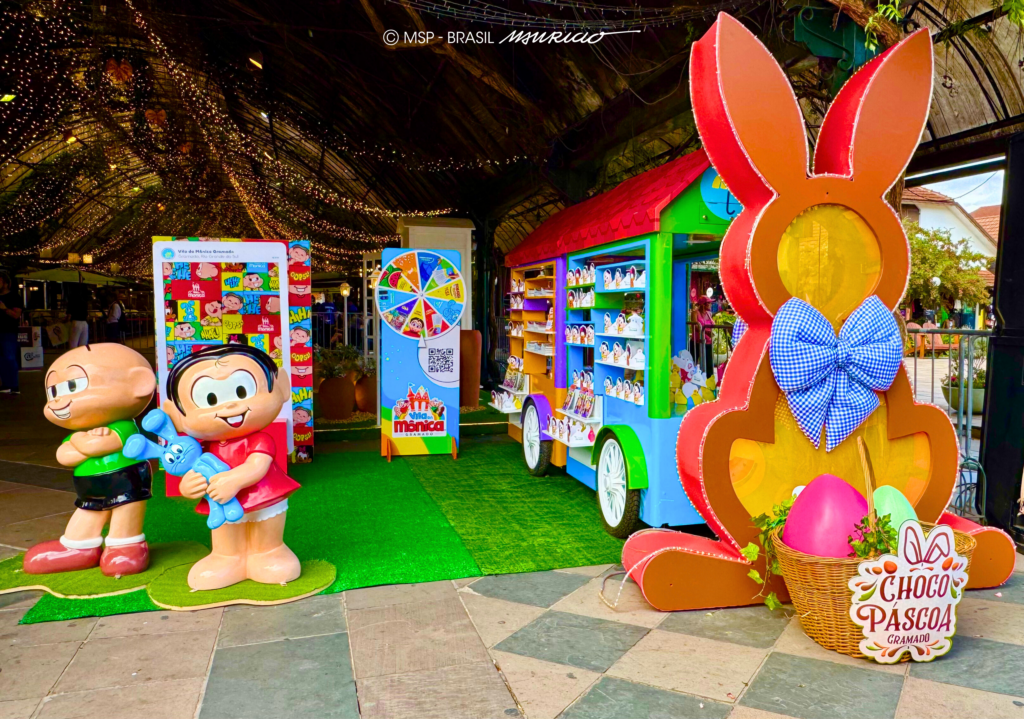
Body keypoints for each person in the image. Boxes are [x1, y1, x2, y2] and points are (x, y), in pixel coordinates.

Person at [162, 344, 300, 590]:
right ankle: (227, 557)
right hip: (222, 502)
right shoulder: (202, 447)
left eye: (241, 391)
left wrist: (234, 480)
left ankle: (269, 552)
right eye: (210, 399)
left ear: (282, 387)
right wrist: (189, 485)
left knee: (266, 530)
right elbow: (194, 470)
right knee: (225, 534)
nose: (229, 407)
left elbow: (258, 465)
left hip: (263, 496)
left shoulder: (260, 439)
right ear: (175, 415)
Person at [23, 344, 157, 575]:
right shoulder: (80, 433)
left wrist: (80, 441)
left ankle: (126, 546)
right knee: (88, 511)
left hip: (125, 480)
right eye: (54, 392)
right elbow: (65, 456)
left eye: (73, 386)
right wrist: (82, 441)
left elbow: (98, 446)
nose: (59, 401)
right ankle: (78, 545)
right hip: (89, 486)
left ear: (140, 383)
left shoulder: (124, 427)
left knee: (125, 511)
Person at [0, 272, 24, 394]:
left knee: (9, 357)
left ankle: (14, 385)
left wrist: (4, 309)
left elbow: (16, 315)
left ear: (6, 283)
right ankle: (5, 384)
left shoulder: (14, 297)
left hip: (8, 332)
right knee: (1, 359)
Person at [693, 296, 715, 375]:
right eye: (709, 303)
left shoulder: (709, 314)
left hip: (708, 342)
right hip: (697, 343)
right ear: (703, 304)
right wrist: (706, 331)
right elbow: (695, 326)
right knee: (693, 363)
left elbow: (712, 325)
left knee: (709, 364)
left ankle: (709, 381)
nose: (711, 305)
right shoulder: (695, 313)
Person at [67, 283, 90, 348]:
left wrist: (66, 320)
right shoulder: (85, 299)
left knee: (73, 343)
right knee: (83, 345)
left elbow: (69, 313)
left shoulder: (72, 297)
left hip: (76, 321)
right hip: (84, 322)